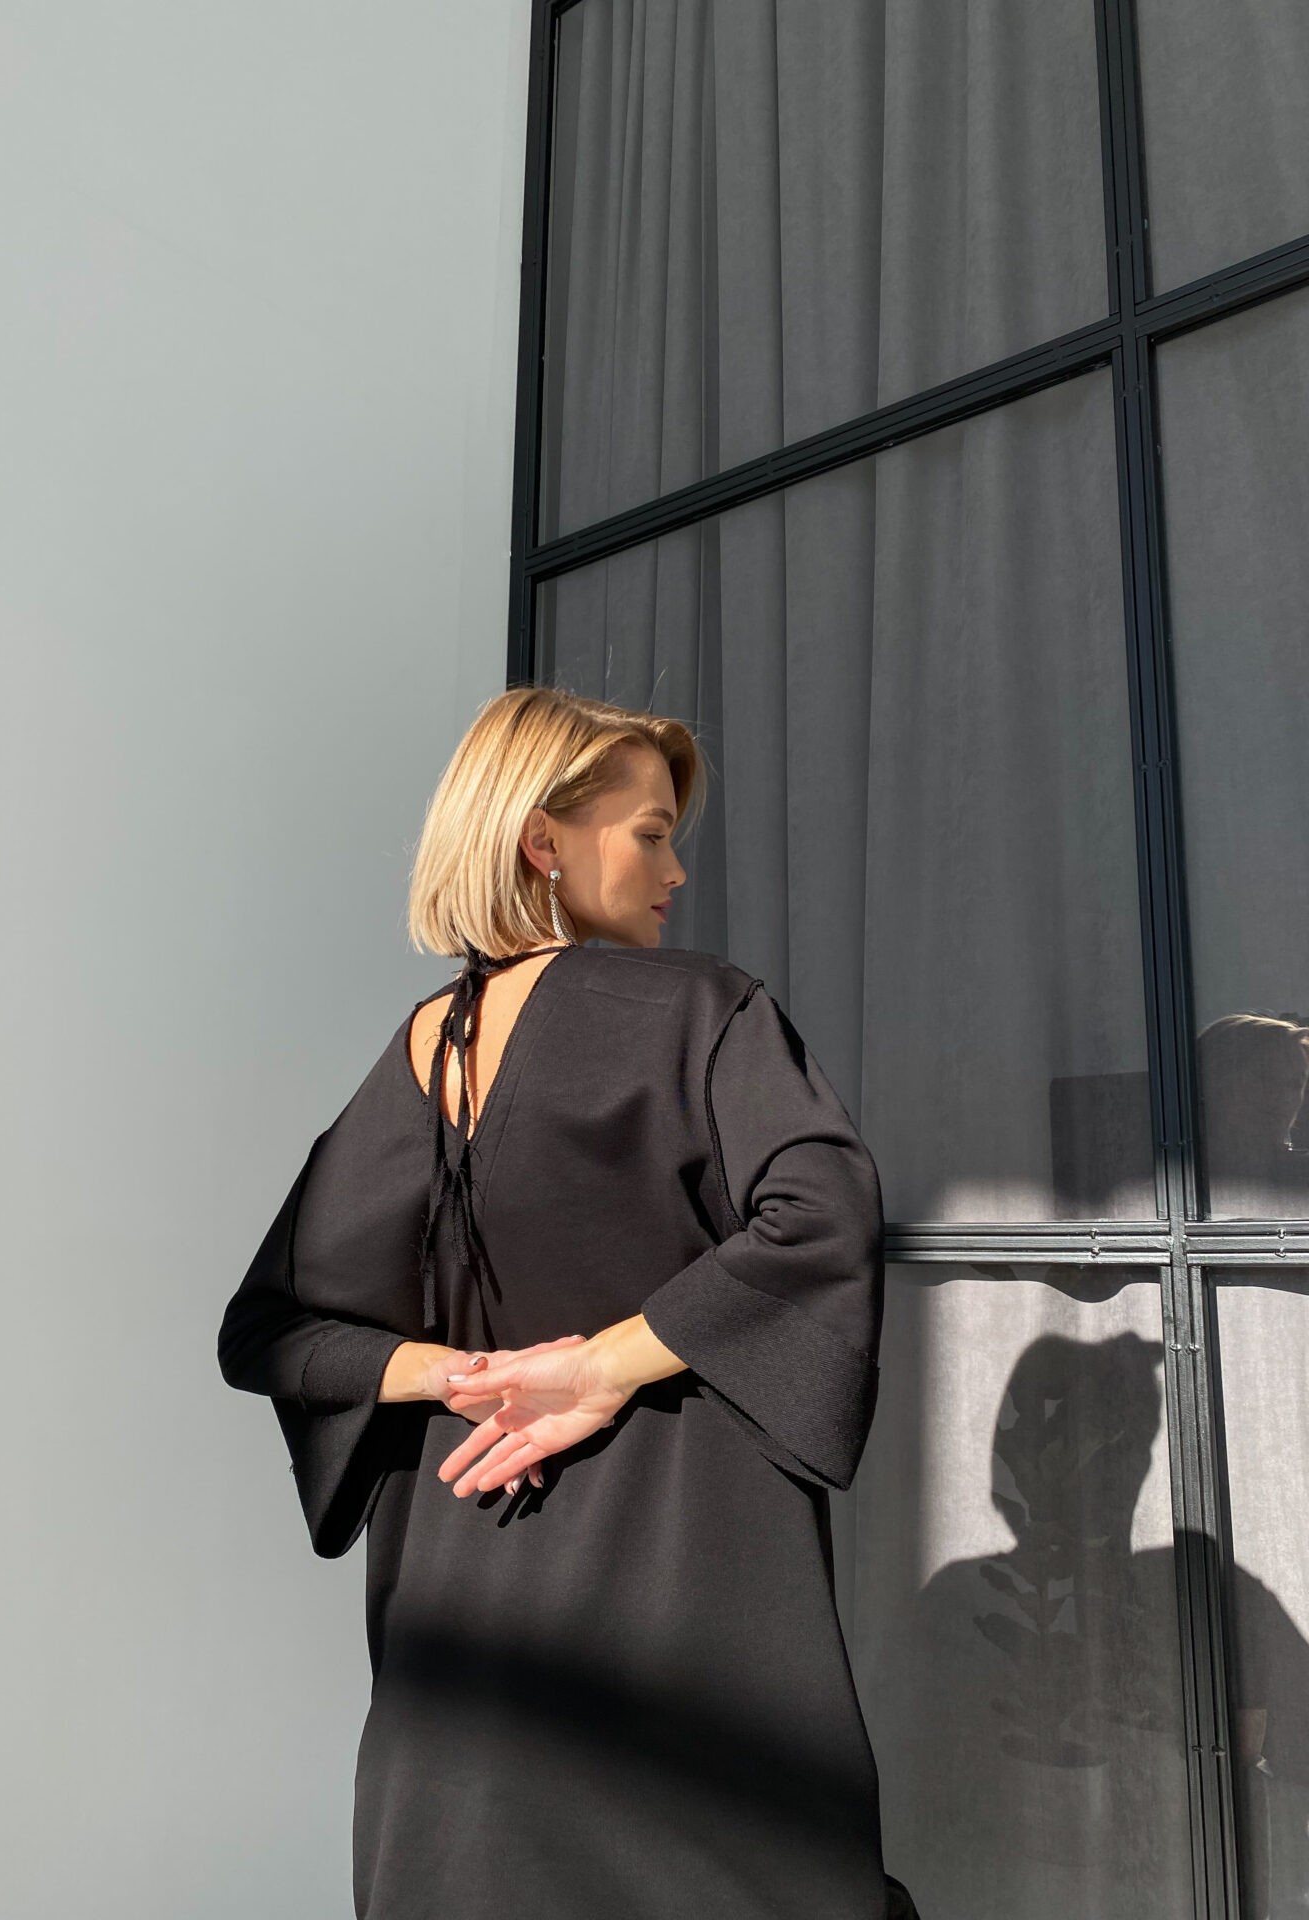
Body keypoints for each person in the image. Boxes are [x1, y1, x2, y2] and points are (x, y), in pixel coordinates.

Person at [217, 685, 920, 1920]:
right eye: (649, 834)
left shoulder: (415, 1057)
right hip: (689, 1642)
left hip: (466, 1685)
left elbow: (269, 1331)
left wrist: (450, 1378)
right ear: (543, 841)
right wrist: (594, 1369)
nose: (676, 870)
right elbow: (818, 1219)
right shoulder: (703, 1009)